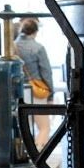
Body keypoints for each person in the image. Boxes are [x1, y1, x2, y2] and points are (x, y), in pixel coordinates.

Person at [14, 18, 54, 146]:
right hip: (36, 93)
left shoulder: (11, 47)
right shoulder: (38, 48)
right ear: (35, 32)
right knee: (44, 127)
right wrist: (50, 94)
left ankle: (25, 153)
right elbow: (46, 72)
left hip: (18, 92)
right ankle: (38, 153)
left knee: (24, 129)